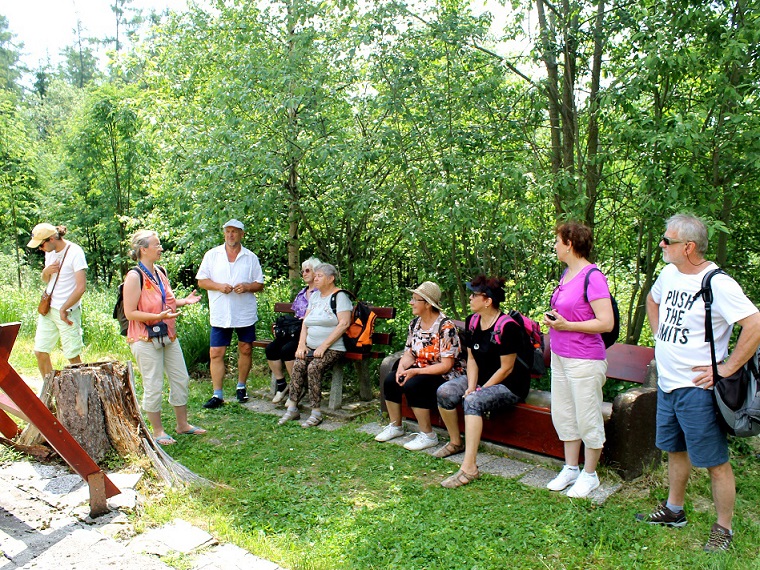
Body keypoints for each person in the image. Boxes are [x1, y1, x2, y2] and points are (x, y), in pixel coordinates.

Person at [638, 214, 760, 552]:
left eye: (668, 241)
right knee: (676, 450)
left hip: (698, 389)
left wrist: (726, 367)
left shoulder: (717, 283)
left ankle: (724, 529)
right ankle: (674, 511)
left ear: (688, 247)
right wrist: (659, 334)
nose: (661, 245)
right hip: (668, 384)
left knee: (714, 462)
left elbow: (754, 324)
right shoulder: (669, 272)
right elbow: (653, 299)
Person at [435, 275, 532, 488]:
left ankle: (469, 469)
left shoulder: (508, 327)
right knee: (445, 392)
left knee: (473, 401)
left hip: (510, 384)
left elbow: (506, 368)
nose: (469, 298)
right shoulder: (473, 321)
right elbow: (471, 358)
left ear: (487, 300)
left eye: (474, 295)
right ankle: (455, 442)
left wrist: (480, 390)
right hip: (481, 380)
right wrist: (471, 386)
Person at [543, 222, 614, 499]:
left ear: (570, 243)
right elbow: (569, 311)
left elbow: (605, 322)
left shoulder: (592, 276)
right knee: (564, 414)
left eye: (558, 241)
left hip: (584, 359)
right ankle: (571, 468)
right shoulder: (566, 274)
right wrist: (555, 322)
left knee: (587, 417)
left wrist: (568, 326)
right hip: (560, 356)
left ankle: (590, 474)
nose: (555, 246)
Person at [123, 230, 205, 445]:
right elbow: (130, 312)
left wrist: (183, 302)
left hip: (168, 334)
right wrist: (156, 316)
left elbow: (166, 301)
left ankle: (182, 425)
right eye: (156, 245)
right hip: (144, 338)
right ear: (143, 249)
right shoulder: (134, 276)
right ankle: (158, 431)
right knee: (153, 384)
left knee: (181, 378)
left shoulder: (160, 271)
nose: (161, 248)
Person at [375, 281, 463, 450]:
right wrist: (401, 368)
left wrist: (415, 372)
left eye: (416, 299)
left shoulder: (446, 327)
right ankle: (395, 426)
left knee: (414, 385)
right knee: (391, 379)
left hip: (444, 374)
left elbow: (446, 365)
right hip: (420, 369)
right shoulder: (415, 323)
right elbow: (409, 352)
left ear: (428, 304)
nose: (411, 303)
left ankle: (428, 435)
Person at [196, 219, 264, 408]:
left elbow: (260, 284)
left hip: (244, 312)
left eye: (234, 231)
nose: (231, 235)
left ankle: (241, 387)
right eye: (228, 231)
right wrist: (218, 286)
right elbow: (201, 281)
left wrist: (248, 286)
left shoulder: (250, 257)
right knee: (216, 352)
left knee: (246, 348)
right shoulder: (212, 255)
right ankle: (217, 394)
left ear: (242, 234)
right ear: (224, 233)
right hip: (221, 312)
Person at [278, 263, 351, 428]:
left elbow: (344, 324)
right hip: (311, 347)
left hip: (333, 348)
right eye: (315, 275)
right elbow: (305, 323)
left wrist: (323, 346)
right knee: (298, 363)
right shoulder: (315, 297)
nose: (315, 278)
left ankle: (316, 412)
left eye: (320, 276)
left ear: (331, 279)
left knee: (314, 368)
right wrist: (301, 345)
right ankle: (292, 408)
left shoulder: (340, 297)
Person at [27, 223, 88, 379]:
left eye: (41, 245)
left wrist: (64, 309)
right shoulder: (50, 252)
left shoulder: (75, 252)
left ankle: (82, 396)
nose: (40, 249)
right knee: (40, 351)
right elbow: (46, 280)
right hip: (48, 309)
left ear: (52, 238)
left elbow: (81, 287)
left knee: (72, 356)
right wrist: (45, 272)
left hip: (67, 312)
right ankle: (50, 393)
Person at [267, 256, 322, 404]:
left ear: (317, 272)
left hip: (311, 334)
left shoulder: (321, 293)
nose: (304, 273)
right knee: (271, 348)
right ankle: (282, 385)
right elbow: (296, 317)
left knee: (287, 350)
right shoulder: (301, 294)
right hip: (295, 332)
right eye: (303, 271)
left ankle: (296, 386)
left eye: (308, 270)